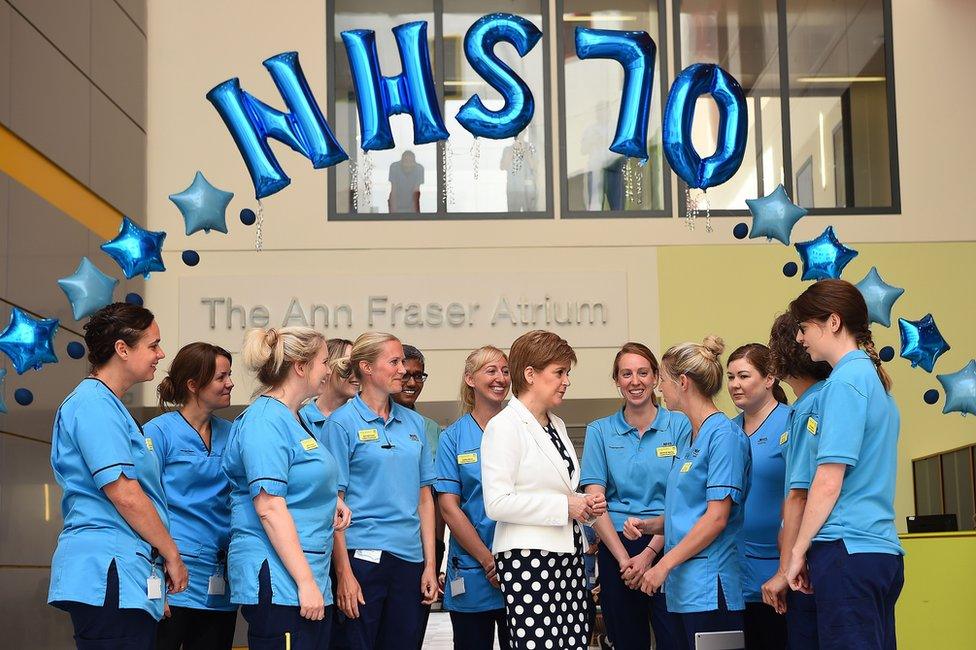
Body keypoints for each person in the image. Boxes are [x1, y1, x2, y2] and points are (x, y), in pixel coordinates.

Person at [48, 302, 188, 648]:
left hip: (124, 570)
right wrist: (171, 554)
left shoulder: (110, 406)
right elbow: (124, 493)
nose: (161, 353)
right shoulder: (93, 404)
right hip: (105, 569)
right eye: (153, 345)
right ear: (121, 349)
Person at [786, 279, 904, 650]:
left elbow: (827, 480)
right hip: (879, 552)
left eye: (804, 328)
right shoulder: (874, 382)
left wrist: (797, 550)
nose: (801, 339)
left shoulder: (844, 382)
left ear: (832, 322)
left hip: (846, 549)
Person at [222, 327, 351, 650]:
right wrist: (305, 582)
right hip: (282, 580)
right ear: (300, 366)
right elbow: (269, 506)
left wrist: (329, 502)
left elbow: (300, 479)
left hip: (306, 575)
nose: (328, 371)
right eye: (324, 362)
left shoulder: (295, 418)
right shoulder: (264, 421)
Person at [481, 330, 607, 650]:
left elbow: (560, 492)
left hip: (568, 554)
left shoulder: (557, 425)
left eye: (568, 373)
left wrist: (584, 505)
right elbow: (496, 502)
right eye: (559, 372)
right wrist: (566, 506)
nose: (566, 381)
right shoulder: (504, 425)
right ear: (530, 374)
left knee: (574, 642)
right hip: (528, 558)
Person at [628, 336, 751, 650]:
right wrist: (650, 525)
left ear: (683, 383)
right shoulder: (691, 439)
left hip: (712, 589)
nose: (660, 390)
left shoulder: (724, 436)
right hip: (685, 590)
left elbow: (716, 519)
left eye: (664, 382)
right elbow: (689, 513)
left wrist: (663, 565)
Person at [325, 331, 439, 649]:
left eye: (403, 361)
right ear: (367, 368)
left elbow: (424, 499)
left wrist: (430, 565)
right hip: (361, 558)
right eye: (395, 361)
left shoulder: (415, 424)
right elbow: (333, 504)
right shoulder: (340, 424)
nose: (403, 369)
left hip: (411, 562)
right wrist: (344, 574)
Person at [579, 342, 688, 650]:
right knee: (626, 641)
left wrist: (649, 555)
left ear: (655, 377)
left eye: (643, 372)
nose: (635, 381)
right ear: (617, 380)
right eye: (626, 374)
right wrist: (626, 559)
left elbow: (681, 498)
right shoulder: (599, 431)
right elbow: (594, 504)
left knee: (674, 639)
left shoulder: (679, 424)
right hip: (617, 551)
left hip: (668, 545)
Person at [148, 342, 238, 649]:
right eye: (221, 377)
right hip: (173, 575)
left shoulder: (233, 433)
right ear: (193, 384)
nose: (230, 383)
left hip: (219, 577)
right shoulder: (158, 433)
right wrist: (154, 581)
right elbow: (141, 504)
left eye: (229, 375)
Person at [760, 313, 832, 650]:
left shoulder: (810, 407)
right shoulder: (811, 404)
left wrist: (785, 567)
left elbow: (800, 495)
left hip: (813, 563)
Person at [435, 346, 512, 650]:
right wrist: (487, 560)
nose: (500, 378)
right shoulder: (453, 437)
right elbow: (449, 508)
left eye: (505, 371)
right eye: (490, 370)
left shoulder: (522, 430)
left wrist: (505, 562)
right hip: (472, 565)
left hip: (519, 565)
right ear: (470, 379)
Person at [726, 343, 791, 649]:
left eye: (743, 376)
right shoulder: (726, 431)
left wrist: (785, 568)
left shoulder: (791, 422)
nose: (735, 384)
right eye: (730, 377)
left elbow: (803, 494)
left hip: (779, 569)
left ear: (769, 379)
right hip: (735, 570)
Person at [393, 343, 445, 646]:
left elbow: (436, 499)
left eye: (419, 376)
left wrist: (434, 553)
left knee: (410, 634)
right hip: (377, 544)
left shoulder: (430, 429)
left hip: (423, 545)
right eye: (406, 375)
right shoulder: (358, 420)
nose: (412, 383)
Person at [300, 338, 357, 437]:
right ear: (327, 367)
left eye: (358, 366)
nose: (357, 373)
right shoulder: (301, 418)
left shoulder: (362, 418)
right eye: (347, 365)